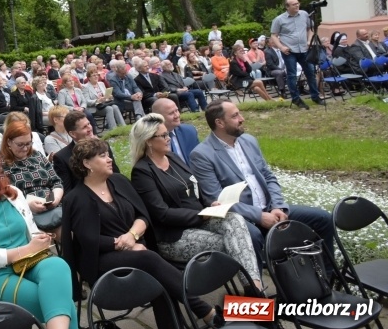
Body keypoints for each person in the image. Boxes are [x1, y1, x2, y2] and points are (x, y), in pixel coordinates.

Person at [61, 138, 221, 329]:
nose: (109, 159)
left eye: (108, 154)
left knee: (159, 278)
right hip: (101, 260)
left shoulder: (119, 181)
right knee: (150, 260)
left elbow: (143, 215)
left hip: (138, 250)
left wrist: (132, 235)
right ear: (87, 163)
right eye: (102, 156)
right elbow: (89, 240)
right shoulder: (77, 198)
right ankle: (203, 309)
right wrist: (126, 245)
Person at [190, 99, 335, 271]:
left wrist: (278, 207)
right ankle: (257, 284)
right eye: (235, 116)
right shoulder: (202, 154)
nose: (242, 119)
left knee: (322, 219)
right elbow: (216, 199)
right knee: (253, 237)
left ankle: (328, 277)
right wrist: (259, 216)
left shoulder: (248, 141)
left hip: (271, 209)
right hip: (242, 218)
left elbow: (268, 177)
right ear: (220, 123)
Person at [0, 144, 78, 329]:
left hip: (30, 261)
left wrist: (40, 239)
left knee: (59, 266)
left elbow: (31, 231)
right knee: (61, 301)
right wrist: (27, 249)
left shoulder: (13, 194)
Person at [129, 114, 261, 289]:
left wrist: (210, 205)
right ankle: (254, 291)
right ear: (148, 141)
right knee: (235, 244)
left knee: (235, 219)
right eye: (164, 135)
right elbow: (161, 213)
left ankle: (254, 288)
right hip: (173, 235)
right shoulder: (142, 172)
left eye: (167, 134)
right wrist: (201, 215)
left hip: (200, 221)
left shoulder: (173, 158)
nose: (169, 138)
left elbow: (194, 188)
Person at [1, 121, 64, 236]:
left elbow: (56, 182)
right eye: (20, 144)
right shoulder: (0, 163)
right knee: (66, 233)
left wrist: (56, 199)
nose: (25, 148)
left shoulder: (37, 155)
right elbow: (3, 195)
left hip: (52, 206)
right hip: (23, 212)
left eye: (28, 143)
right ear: (9, 142)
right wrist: (27, 204)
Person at [270, 0, 325, 109]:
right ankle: (296, 99)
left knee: (310, 72)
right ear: (287, 7)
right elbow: (274, 35)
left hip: (304, 50)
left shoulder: (304, 14)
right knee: (292, 75)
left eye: (297, 3)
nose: (297, 5)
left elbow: (310, 28)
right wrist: (281, 47)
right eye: (294, 4)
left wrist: (309, 40)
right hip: (289, 51)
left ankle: (315, 96)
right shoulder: (279, 19)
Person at [52, 111, 119, 194]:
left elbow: (115, 174)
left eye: (89, 124)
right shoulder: (62, 158)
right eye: (84, 127)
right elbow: (67, 191)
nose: (90, 128)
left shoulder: (103, 146)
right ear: (73, 134)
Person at [151, 98, 199, 166]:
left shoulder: (189, 132)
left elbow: (198, 160)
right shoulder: (152, 139)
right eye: (171, 113)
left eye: (176, 110)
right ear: (158, 117)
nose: (177, 115)